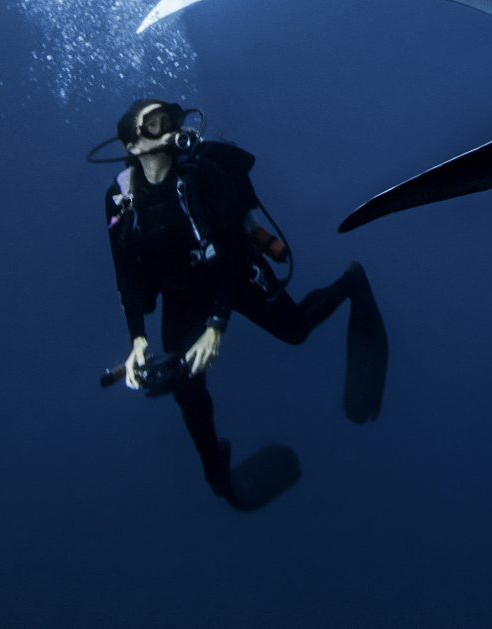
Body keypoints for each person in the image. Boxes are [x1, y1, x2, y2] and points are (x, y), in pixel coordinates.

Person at [104, 98, 385, 507]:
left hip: (231, 271)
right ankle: (218, 476)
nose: (167, 127)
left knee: (295, 331)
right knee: (185, 384)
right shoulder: (119, 198)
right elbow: (125, 273)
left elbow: (235, 246)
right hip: (181, 291)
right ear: (133, 144)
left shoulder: (203, 173)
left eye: (171, 118)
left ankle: (351, 283)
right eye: (153, 124)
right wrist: (137, 341)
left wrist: (216, 326)